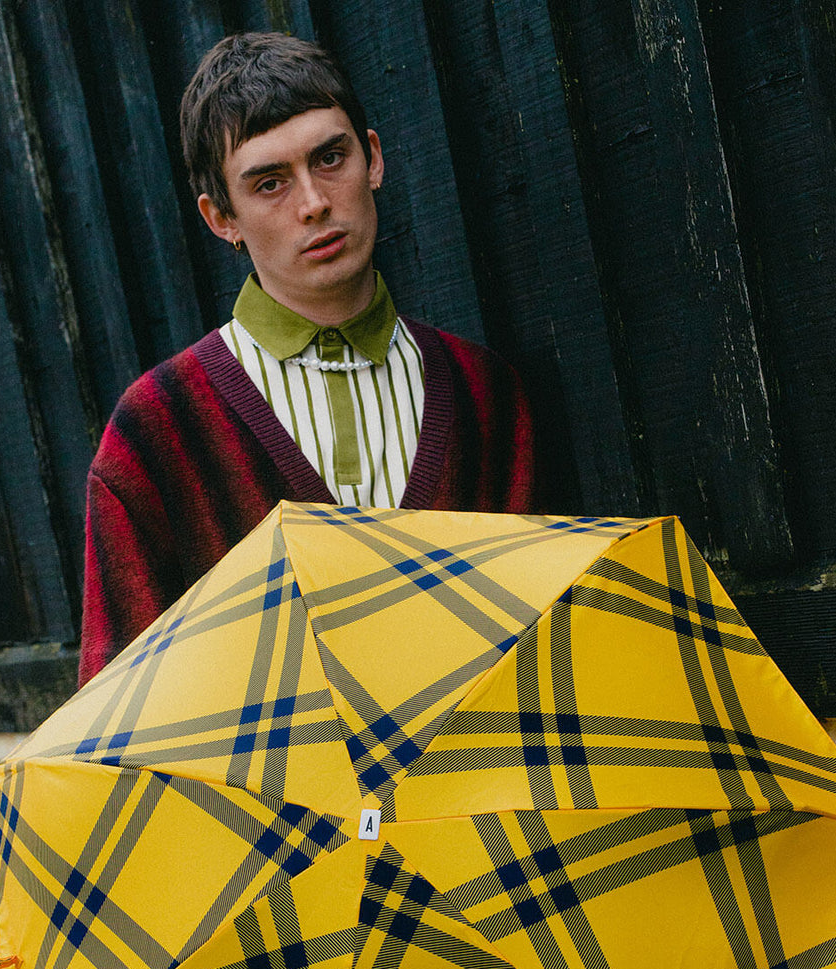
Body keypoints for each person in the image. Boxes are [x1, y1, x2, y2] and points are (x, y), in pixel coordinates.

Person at [78, 31, 538, 684]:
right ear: (220, 218)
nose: (315, 202)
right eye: (269, 182)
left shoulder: (483, 396)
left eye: (330, 158)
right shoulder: (157, 428)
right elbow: (118, 715)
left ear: (372, 158)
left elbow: (536, 648)